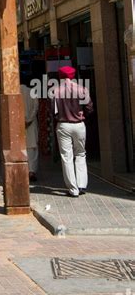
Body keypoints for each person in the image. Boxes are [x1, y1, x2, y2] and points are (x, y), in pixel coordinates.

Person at [49, 65, 93, 198]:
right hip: (79, 125)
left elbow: (53, 111)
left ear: (60, 76)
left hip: (63, 125)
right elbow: (89, 107)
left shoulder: (55, 91)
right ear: (73, 76)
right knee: (80, 153)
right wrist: (82, 113)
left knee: (66, 157)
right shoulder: (82, 89)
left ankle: (72, 189)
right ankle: (81, 185)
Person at [20, 74, 39, 182]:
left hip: (17, 125)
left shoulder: (15, 91)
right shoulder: (32, 92)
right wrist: (29, 120)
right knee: (32, 148)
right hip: (31, 124)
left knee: (21, 148)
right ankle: (31, 171)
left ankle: (22, 170)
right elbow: (35, 108)